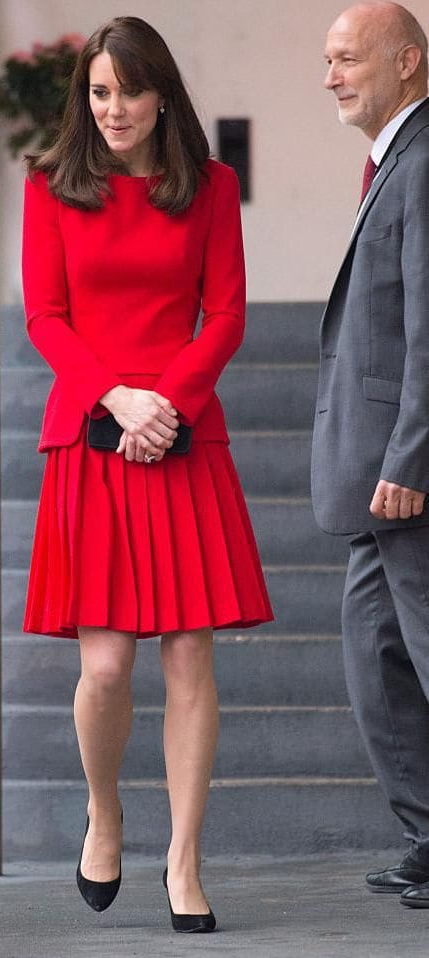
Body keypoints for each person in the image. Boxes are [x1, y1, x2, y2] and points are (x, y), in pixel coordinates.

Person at [21, 15, 272, 933]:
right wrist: (120, 403)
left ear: (161, 92)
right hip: (93, 435)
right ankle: (105, 811)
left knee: (190, 654)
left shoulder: (208, 186)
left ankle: (183, 858)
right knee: (105, 664)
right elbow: (45, 317)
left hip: (185, 430)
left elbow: (226, 315)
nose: (113, 108)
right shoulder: (50, 188)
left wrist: (165, 404)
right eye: (98, 92)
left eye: (128, 90)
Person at [312, 1, 429, 908]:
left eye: (347, 58)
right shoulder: (396, 158)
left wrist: (412, 457)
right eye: (328, 59)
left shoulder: (426, 161)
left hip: (405, 474)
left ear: (407, 60)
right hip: (370, 471)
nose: (330, 75)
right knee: (371, 658)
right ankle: (427, 833)